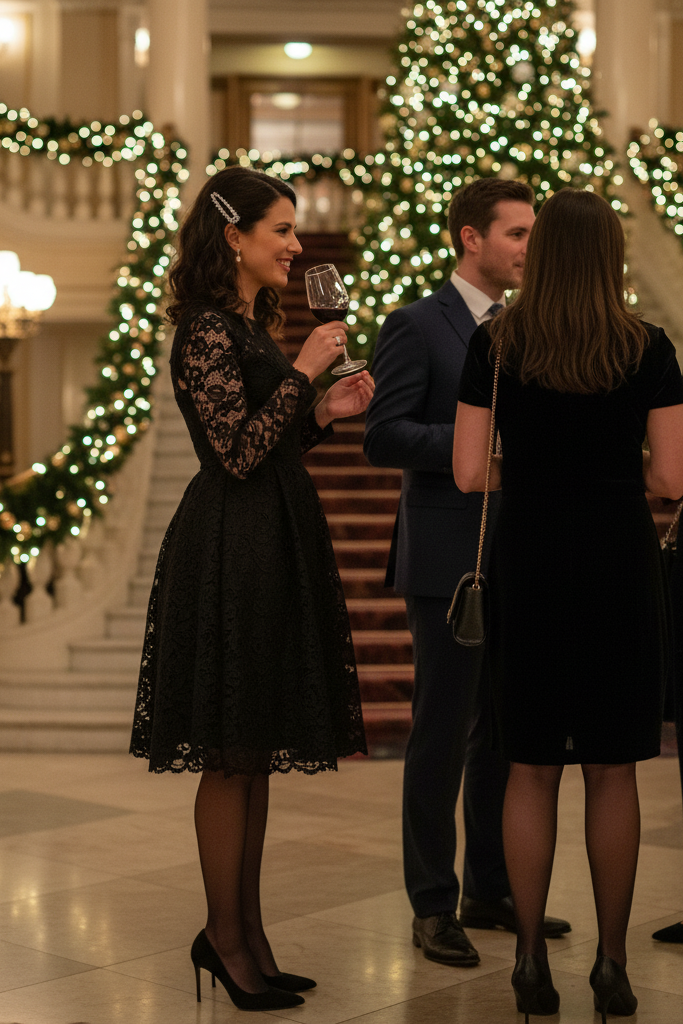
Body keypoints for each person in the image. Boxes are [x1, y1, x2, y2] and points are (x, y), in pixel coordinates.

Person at [130, 166, 374, 1012]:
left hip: (273, 536)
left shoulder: (245, 322)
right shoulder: (203, 328)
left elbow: (270, 442)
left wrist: (322, 414)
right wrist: (306, 371)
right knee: (232, 754)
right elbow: (232, 452)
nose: (297, 246)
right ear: (233, 237)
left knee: (256, 750)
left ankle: (248, 934)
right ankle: (224, 939)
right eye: (281, 230)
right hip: (230, 547)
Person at [452, 187, 683, 1022]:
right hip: (619, 560)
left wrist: (543, 475)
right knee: (613, 766)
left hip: (531, 560)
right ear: (612, 255)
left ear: (541, 252)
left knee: (529, 764)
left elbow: (470, 473)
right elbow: (672, 480)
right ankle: (613, 965)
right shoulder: (649, 347)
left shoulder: (498, 345)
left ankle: (524, 964)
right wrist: (607, 474)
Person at [364, 178, 569, 967]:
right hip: (446, 561)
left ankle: (489, 887)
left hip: (519, 550)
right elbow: (383, 437)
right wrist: (478, 446)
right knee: (441, 734)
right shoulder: (416, 324)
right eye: (515, 233)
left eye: (532, 234)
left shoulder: (532, 329)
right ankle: (430, 903)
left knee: (502, 731)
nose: (527, 247)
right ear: (467, 239)